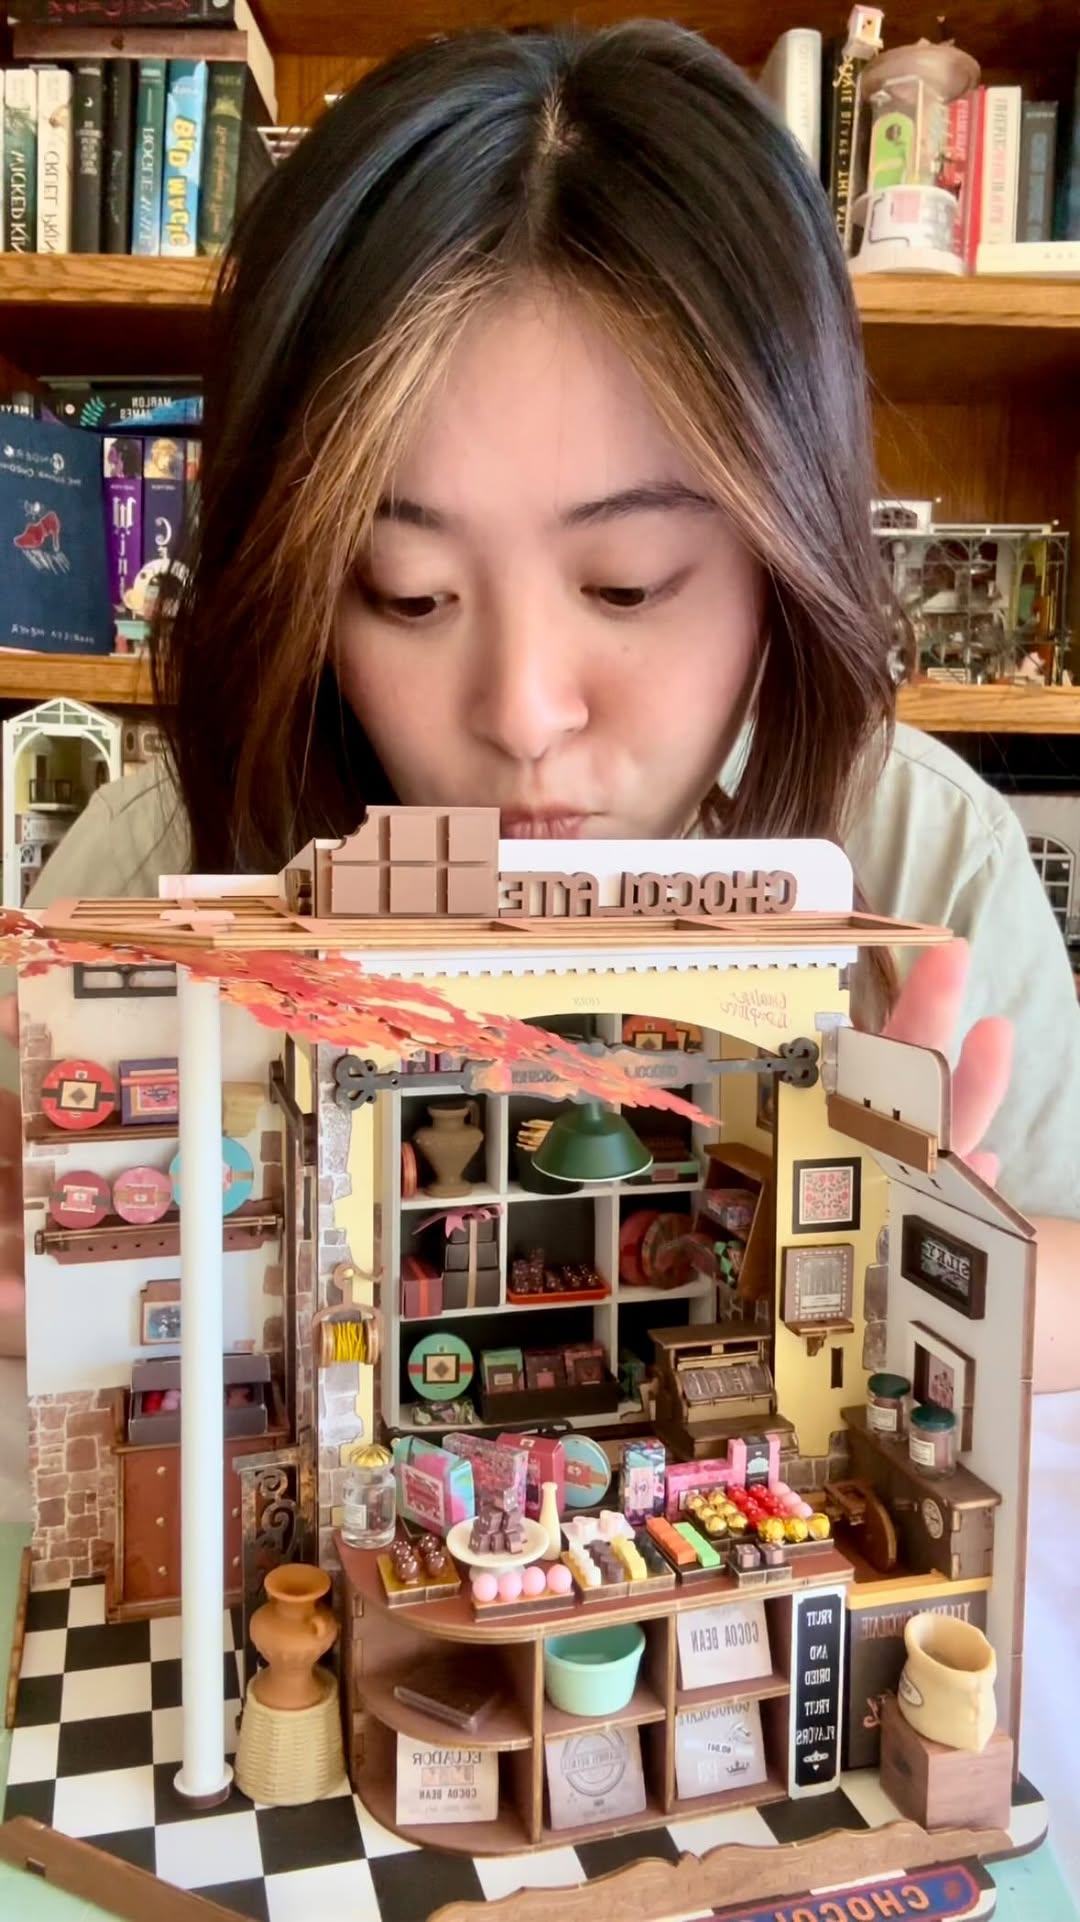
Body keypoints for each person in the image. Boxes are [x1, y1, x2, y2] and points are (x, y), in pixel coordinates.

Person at [4, 22, 1078, 1389]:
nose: (521, 714)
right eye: (405, 593)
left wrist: (906, 1260)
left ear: (785, 556)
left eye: (628, 584)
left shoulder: (925, 854)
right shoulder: (163, 860)